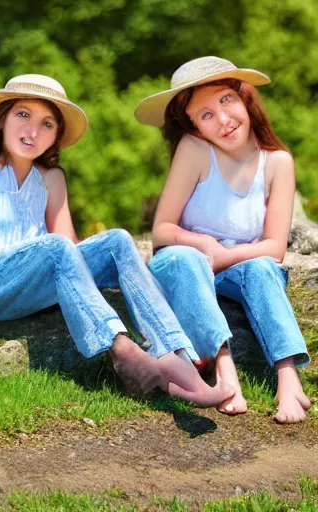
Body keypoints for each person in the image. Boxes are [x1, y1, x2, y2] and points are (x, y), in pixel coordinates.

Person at [0, 73, 232, 406]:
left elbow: (70, 249)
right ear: (2, 119)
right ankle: (125, 354)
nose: (33, 130)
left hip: (33, 281)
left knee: (116, 240)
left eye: (47, 124)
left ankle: (176, 357)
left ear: (56, 136)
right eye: (23, 115)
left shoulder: (51, 179)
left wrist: (113, 268)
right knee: (57, 248)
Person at [134, 56, 311, 422]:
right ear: (193, 126)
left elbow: (275, 246)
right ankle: (223, 369)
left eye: (225, 101)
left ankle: (288, 378)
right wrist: (204, 247)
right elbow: (163, 231)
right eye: (206, 115)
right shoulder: (195, 150)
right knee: (184, 260)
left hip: (236, 265)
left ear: (244, 97)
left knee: (263, 268)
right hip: (186, 260)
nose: (223, 120)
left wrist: (221, 257)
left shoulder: (277, 162)